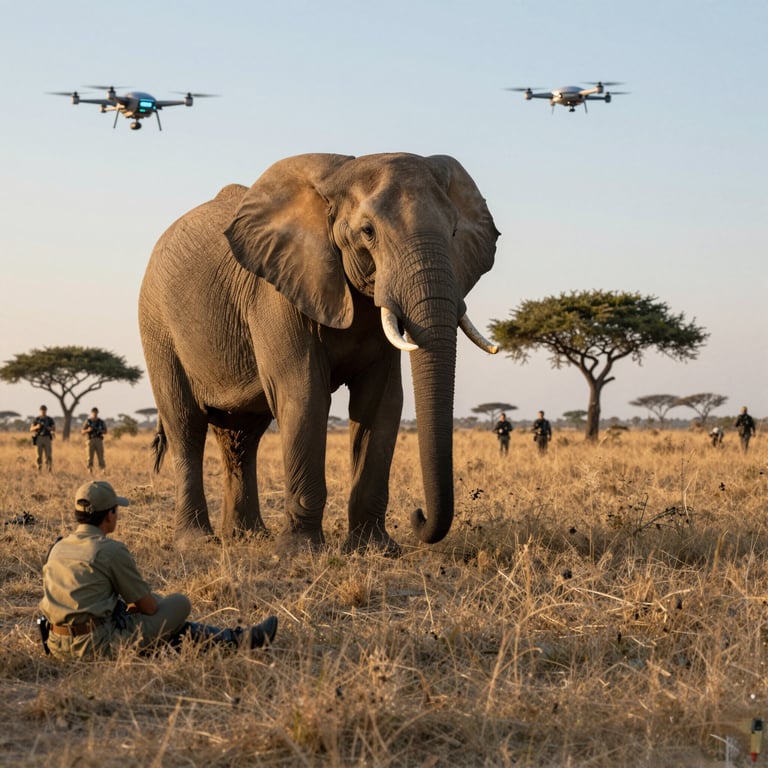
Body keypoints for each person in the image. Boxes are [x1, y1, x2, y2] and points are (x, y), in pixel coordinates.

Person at [39, 480, 278, 660]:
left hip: (56, 644)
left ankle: (236, 639)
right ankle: (237, 640)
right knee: (177, 604)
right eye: (116, 510)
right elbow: (149, 607)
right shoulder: (109, 550)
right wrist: (138, 607)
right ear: (110, 515)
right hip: (96, 645)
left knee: (164, 624)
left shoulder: (58, 547)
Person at [82, 407, 108, 473]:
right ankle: (89, 469)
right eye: (94, 412)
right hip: (90, 440)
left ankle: (102, 469)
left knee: (100, 456)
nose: (95, 414)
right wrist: (88, 430)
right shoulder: (88, 421)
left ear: (97, 413)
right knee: (89, 456)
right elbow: (82, 431)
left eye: (96, 412)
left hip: (99, 440)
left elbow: (106, 431)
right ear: (91, 413)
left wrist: (100, 430)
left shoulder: (101, 422)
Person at [30, 404, 56, 472]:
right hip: (39, 438)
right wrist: (37, 427)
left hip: (47, 437)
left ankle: (49, 468)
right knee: (38, 455)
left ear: (46, 411)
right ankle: (39, 467)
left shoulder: (49, 419)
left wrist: (49, 428)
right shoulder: (37, 419)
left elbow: (54, 428)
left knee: (48, 455)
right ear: (40, 411)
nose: (43, 411)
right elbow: (31, 429)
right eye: (42, 410)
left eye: (44, 410)